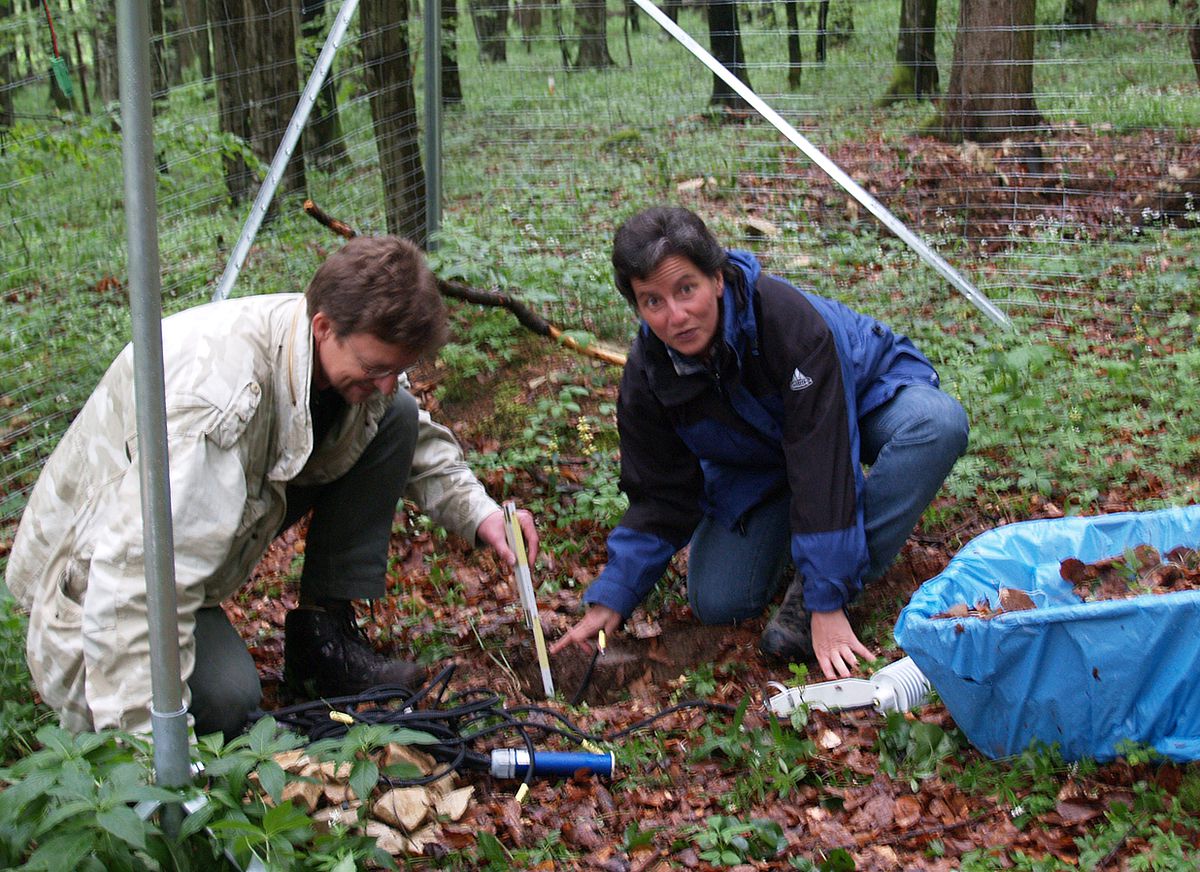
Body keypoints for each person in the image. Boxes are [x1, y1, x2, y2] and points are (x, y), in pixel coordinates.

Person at [5, 236, 537, 740]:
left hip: (188, 535)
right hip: (91, 581)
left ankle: (321, 640)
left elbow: (415, 439)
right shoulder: (216, 405)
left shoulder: (329, 342)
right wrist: (150, 759)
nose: (384, 382)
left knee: (394, 416)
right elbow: (136, 580)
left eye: (396, 369)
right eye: (376, 368)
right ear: (325, 327)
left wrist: (482, 514)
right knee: (228, 701)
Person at [551, 206, 967, 679]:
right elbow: (661, 494)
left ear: (719, 279)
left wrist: (823, 600)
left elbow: (822, 460)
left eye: (686, 289)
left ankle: (828, 581)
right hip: (764, 455)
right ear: (638, 307)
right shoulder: (650, 372)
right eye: (654, 302)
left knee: (937, 423)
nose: (676, 316)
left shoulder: (787, 324)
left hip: (862, 394)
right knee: (718, 600)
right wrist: (614, 595)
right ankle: (811, 540)